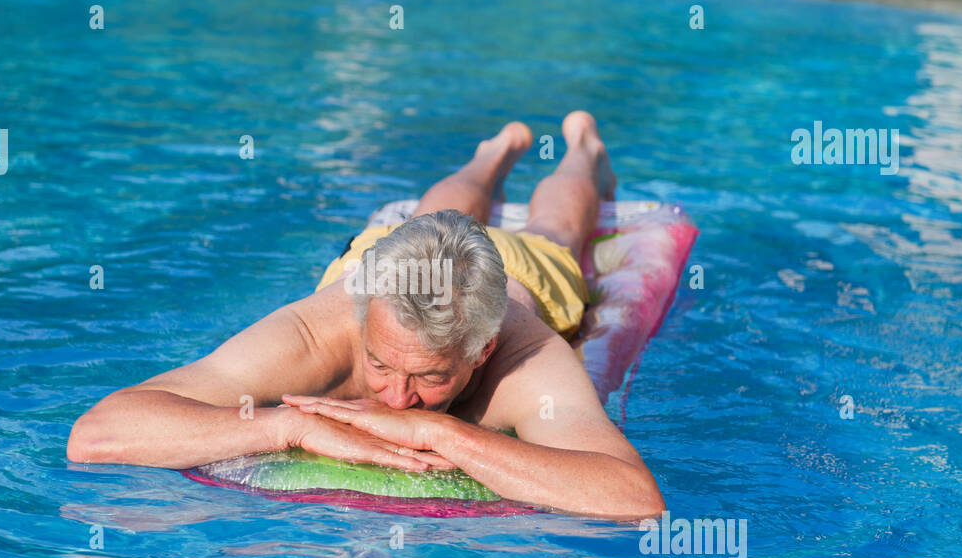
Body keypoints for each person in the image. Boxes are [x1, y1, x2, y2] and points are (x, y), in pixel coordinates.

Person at [67, 111, 664, 518]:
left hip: (516, 271)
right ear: (361, 322)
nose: (396, 399)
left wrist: (440, 432)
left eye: (431, 377)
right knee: (438, 212)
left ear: (481, 350)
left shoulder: (522, 360)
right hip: (393, 252)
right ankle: (494, 156)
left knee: (555, 229)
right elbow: (96, 433)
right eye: (380, 364)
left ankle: (583, 150)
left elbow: (636, 499)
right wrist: (285, 425)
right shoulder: (312, 337)